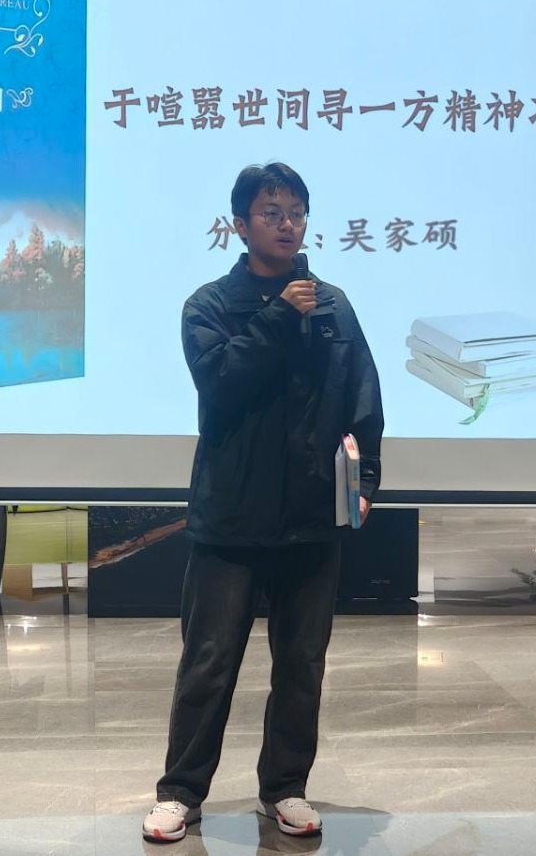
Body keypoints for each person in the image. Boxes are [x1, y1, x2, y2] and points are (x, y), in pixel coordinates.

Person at [143, 162, 384, 844]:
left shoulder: (333, 305)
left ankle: (285, 788)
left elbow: (363, 401)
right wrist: (279, 316)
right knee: (209, 662)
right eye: (272, 212)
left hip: (311, 517)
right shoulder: (209, 306)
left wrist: (364, 484)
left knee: (302, 664)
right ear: (240, 225)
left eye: (297, 212)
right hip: (231, 517)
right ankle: (180, 793)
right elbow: (220, 383)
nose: (288, 224)